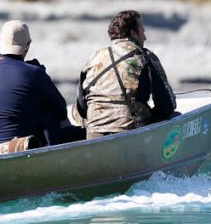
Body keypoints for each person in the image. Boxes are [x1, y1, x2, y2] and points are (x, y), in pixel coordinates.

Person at [0, 20, 80, 147]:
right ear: (27, 46)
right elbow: (60, 111)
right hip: (19, 147)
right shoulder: (33, 73)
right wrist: (42, 76)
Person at [75, 10, 176, 139]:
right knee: (175, 116)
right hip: (130, 134)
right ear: (133, 33)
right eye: (142, 32)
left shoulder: (94, 58)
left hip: (94, 134)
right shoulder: (145, 57)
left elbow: (81, 106)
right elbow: (166, 105)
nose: (145, 38)